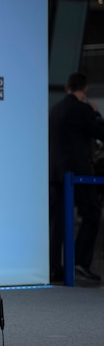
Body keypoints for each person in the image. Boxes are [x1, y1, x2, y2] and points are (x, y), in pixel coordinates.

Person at [48, 72, 104, 282]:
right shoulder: (82, 109)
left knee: (59, 222)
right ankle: (80, 262)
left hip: (55, 172)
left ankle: (55, 267)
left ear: (66, 88)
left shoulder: (55, 109)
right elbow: (100, 133)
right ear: (86, 89)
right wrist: (97, 114)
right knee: (91, 214)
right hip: (78, 174)